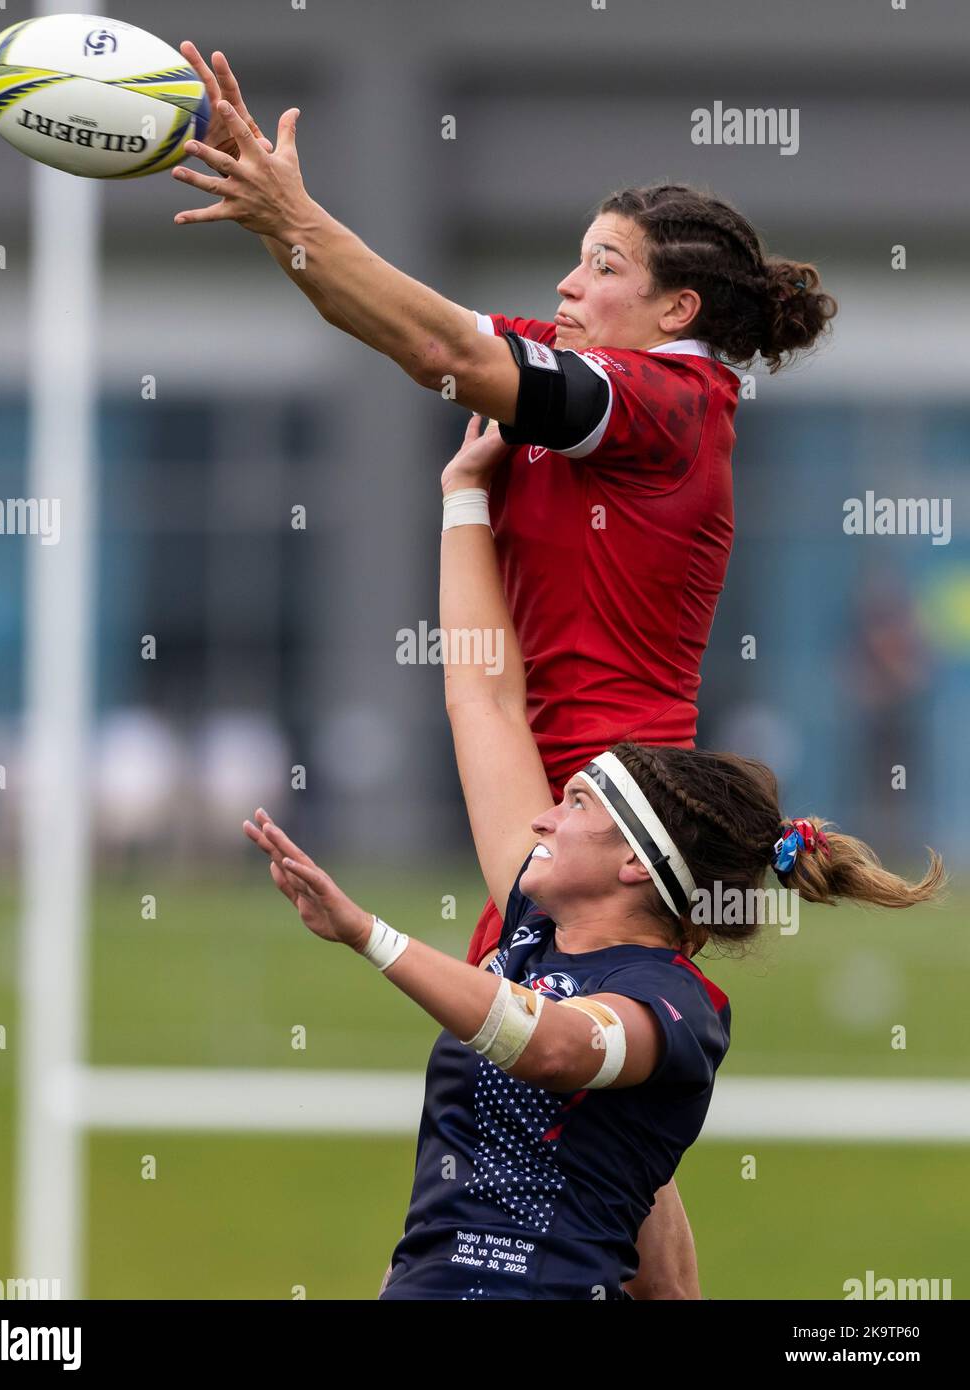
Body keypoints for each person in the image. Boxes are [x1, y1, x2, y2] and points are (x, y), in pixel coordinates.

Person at [243, 415, 942, 1300]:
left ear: (632, 868)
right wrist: (462, 496)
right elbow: (484, 695)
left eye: (575, 803)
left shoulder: (674, 1010)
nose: (541, 817)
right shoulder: (535, 927)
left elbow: (559, 1050)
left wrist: (366, 934)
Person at [172, 45, 839, 974]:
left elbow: (433, 342)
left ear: (677, 310)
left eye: (602, 266)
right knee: (500, 1088)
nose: (568, 286)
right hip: (560, 808)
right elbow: (395, 321)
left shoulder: (666, 403)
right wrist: (273, 216)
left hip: (608, 825)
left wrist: (299, 216)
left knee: (544, 1086)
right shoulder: (605, 373)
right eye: (576, 261)